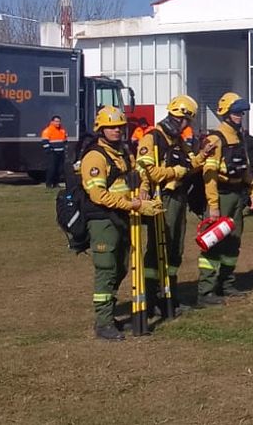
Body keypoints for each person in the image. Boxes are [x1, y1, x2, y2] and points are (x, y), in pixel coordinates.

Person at [80, 106, 163, 341]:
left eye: (119, 127)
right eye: (111, 127)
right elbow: (98, 195)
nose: (116, 131)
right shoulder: (95, 157)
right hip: (103, 220)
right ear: (101, 129)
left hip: (122, 216)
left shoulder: (124, 152)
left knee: (121, 267)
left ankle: (109, 315)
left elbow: (138, 174)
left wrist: (144, 190)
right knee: (106, 269)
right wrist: (134, 205)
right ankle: (103, 322)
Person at [136, 95, 216, 314]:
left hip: (178, 198)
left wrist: (202, 155)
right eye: (186, 121)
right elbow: (147, 171)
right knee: (158, 247)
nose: (187, 126)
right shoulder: (153, 138)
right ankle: (152, 297)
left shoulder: (177, 140)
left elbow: (188, 164)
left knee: (175, 248)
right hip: (162, 198)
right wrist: (174, 172)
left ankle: (170, 294)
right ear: (179, 118)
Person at [198, 93, 253, 305]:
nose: (240, 115)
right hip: (221, 196)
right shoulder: (216, 139)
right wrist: (213, 206)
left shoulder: (240, 137)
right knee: (213, 242)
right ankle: (206, 291)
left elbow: (246, 168)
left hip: (236, 195)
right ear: (225, 113)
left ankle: (226, 283)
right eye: (236, 112)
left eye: (241, 112)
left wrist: (252, 191)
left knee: (233, 241)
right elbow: (210, 176)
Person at [40, 115, 68, 188]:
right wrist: (49, 150)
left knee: (59, 169)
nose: (58, 123)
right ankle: (49, 184)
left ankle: (56, 183)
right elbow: (45, 141)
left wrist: (65, 148)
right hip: (52, 152)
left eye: (59, 121)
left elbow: (65, 140)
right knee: (52, 168)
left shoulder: (62, 130)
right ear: (52, 122)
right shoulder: (47, 130)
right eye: (56, 121)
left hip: (61, 152)